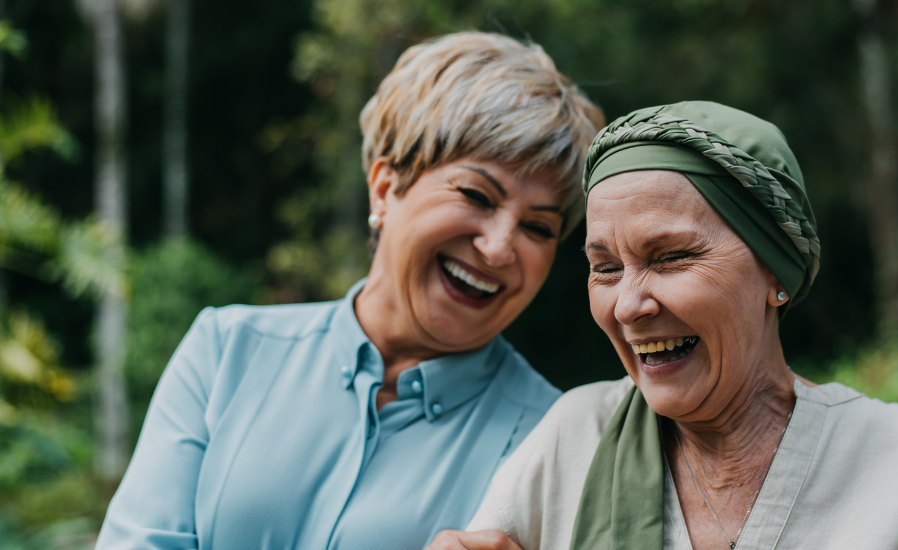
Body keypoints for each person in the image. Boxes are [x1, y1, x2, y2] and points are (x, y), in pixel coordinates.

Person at [428, 101, 898, 550]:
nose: (630, 305)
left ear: (774, 271)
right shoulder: (574, 441)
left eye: (671, 257)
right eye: (605, 267)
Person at [94, 32, 604, 550]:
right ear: (385, 188)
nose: (499, 248)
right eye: (476, 194)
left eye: (538, 228)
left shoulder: (555, 440)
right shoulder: (226, 350)